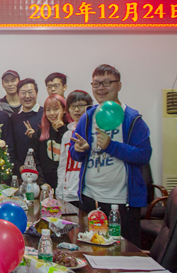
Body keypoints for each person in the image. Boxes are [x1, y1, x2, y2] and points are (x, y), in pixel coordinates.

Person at [70, 64, 152, 247]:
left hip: (121, 203)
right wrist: (80, 150)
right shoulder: (87, 117)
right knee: (88, 249)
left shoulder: (132, 119)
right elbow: (74, 152)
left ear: (119, 85)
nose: (101, 88)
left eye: (107, 82)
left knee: (123, 252)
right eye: (96, 83)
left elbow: (144, 155)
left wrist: (111, 146)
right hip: (90, 199)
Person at [26, 94, 72, 189]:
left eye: (56, 109)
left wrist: (62, 130)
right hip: (46, 185)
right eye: (48, 110)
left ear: (64, 110)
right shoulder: (39, 133)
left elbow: (74, 154)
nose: (52, 113)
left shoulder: (71, 130)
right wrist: (42, 182)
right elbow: (34, 159)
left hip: (69, 184)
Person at [56, 90, 93, 205]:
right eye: (73, 106)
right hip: (69, 191)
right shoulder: (67, 135)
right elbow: (63, 165)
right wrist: (60, 191)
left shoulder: (92, 132)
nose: (77, 110)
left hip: (88, 191)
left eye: (81, 105)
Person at [9, 78, 44, 173]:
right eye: (23, 93)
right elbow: (11, 147)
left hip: (43, 171)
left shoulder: (45, 114)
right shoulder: (14, 118)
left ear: (36, 93)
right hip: (21, 171)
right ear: (18, 95)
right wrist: (18, 167)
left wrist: (35, 136)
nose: (27, 96)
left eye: (30, 92)